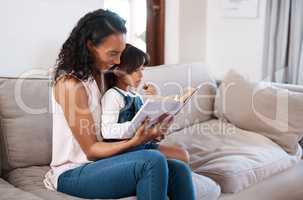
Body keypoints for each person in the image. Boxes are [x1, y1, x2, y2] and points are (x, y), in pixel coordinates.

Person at [44, 9, 195, 200]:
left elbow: (119, 124)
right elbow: (91, 151)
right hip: (73, 172)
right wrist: (135, 141)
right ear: (90, 46)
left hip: (105, 162)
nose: (117, 61)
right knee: (152, 161)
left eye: (121, 53)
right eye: (112, 53)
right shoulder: (70, 84)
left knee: (179, 169)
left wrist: (151, 131)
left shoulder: (103, 75)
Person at [101, 43, 190, 163]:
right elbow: (107, 130)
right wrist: (137, 127)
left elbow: (146, 122)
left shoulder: (137, 96)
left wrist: (156, 133)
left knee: (183, 155)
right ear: (118, 72)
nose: (141, 75)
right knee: (170, 160)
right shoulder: (113, 95)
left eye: (142, 69)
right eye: (136, 70)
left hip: (141, 145)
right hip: (124, 150)